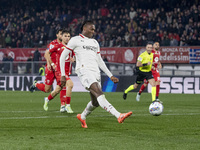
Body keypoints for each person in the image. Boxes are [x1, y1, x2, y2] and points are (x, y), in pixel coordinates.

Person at [60, 20, 132, 128]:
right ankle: (118, 115)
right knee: (99, 93)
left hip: (95, 72)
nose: (93, 31)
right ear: (84, 28)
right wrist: (63, 75)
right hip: (84, 70)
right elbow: (62, 56)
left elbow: (100, 61)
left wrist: (110, 75)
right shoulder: (75, 40)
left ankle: (82, 116)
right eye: (91, 29)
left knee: (96, 102)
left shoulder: (94, 42)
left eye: (94, 29)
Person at [43, 30, 75, 113]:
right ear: (62, 37)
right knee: (70, 85)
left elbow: (74, 57)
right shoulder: (58, 46)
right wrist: (51, 64)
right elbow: (47, 53)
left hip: (67, 71)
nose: (67, 38)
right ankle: (67, 106)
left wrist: (73, 59)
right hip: (60, 71)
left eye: (68, 36)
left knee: (58, 90)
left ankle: (47, 99)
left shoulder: (71, 47)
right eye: (65, 36)